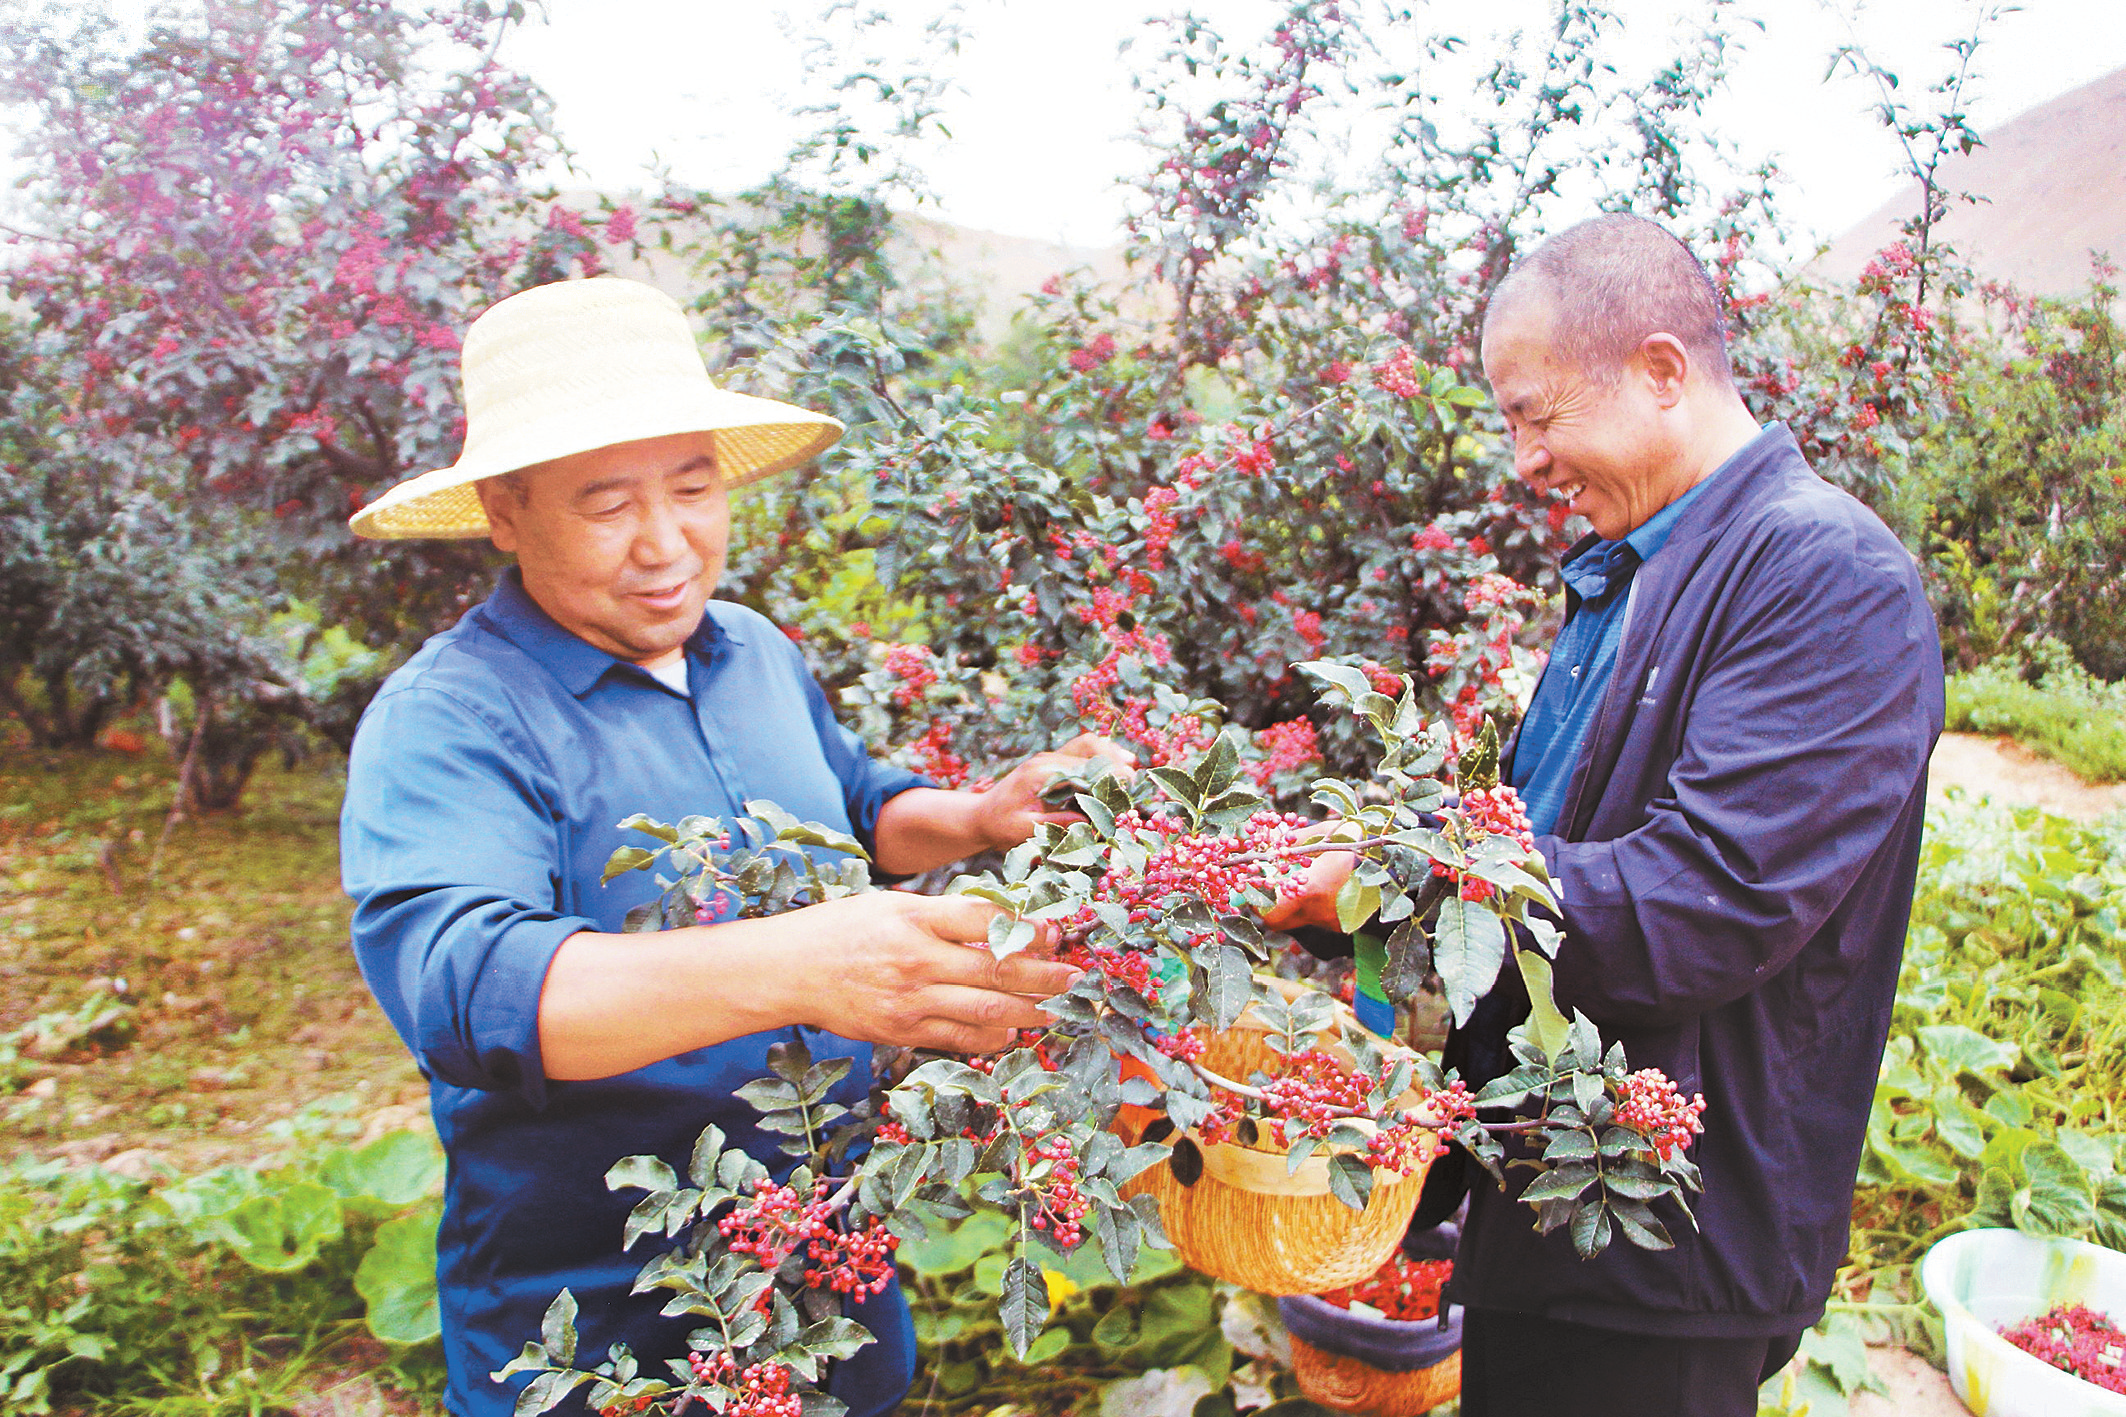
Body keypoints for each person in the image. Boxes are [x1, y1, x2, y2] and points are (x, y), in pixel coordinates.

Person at [340, 277, 1124, 1417]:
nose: (665, 543)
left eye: (694, 487)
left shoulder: (751, 648)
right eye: (607, 505)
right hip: (606, 1329)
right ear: (505, 513)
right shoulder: (450, 719)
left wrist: (976, 814)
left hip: (832, 1283)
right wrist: (801, 964)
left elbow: (852, 804)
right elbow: (468, 992)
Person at [1275, 213, 1944, 1416]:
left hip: (1660, 1240)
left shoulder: (1823, 575)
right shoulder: (1634, 566)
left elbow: (1705, 900)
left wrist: (1400, 882)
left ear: (1660, 370)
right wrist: (1374, 891)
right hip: (1555, 1204)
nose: (1524, 461)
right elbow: (1547, 852)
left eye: (1534, 416)